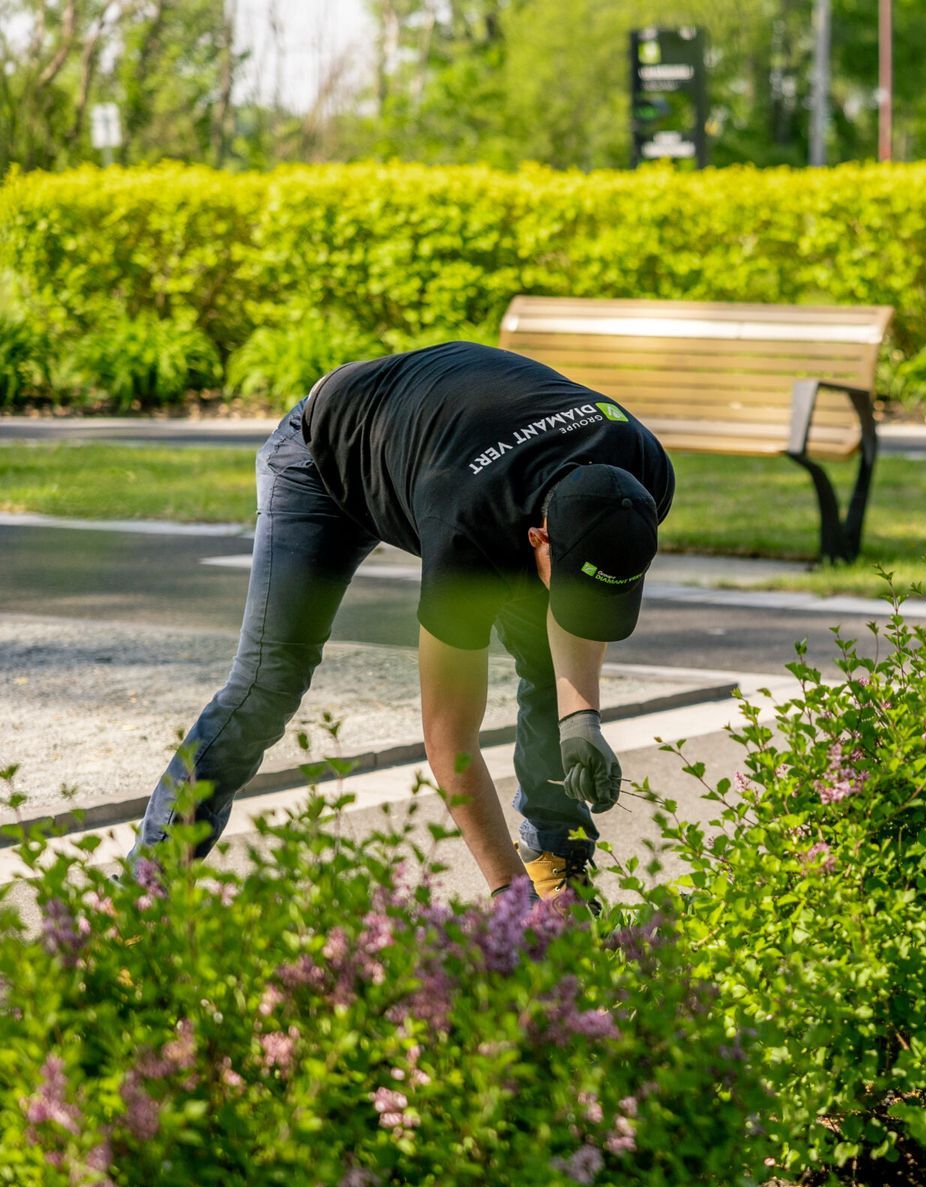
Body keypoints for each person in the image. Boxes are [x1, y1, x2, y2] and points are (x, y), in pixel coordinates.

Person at [131, 341, 674, 903]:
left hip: (447, 443)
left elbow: (581, 602)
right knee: (268, 679)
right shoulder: (467, 527)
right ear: (539, 538)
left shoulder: (642, 476)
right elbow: (449, 740)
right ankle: (147, 891)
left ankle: (559, 870)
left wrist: (580, 719)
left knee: (545, 659)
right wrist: (509, 902)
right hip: (326, 454)